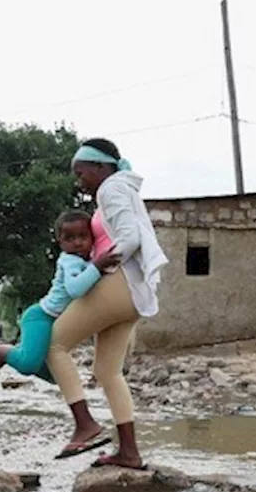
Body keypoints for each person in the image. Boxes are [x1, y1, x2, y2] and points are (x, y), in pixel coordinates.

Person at [49, 138, 168, 466]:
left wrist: (104, 266)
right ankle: (129, 452)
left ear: (101, 167)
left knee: (54, 344)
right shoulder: (121, 188)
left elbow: (128, 237)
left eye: (81, 172)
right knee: (107, 370)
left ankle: (85, 426)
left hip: (119, 284)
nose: (79, 180)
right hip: (133, 292)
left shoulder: (110, 189)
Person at [0, 210, 112, 385]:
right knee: (28, 364)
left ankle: (8, 353)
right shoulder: (70, 260)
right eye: (70, 239)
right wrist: (98, 266)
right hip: (42, 318)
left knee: (57, 377)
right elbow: (75, 290)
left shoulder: (87, 261)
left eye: (83, 237)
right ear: (60, 243)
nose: (77, 243)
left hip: (56, 323)